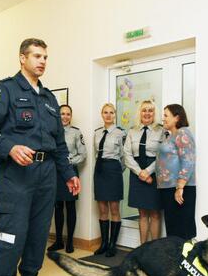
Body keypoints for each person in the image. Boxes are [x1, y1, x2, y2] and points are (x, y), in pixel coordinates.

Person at [0, 37, 80, 276]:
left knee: (37, 236)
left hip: (46, 176)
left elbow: (58, 143)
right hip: (16, 177)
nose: (42, 61)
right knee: (11, 237)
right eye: (36, 56)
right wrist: (8, 147)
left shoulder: (48, 98)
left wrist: (68, 173)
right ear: (22, 58)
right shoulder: (4, 90)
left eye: (45, 56)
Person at [123, 100, 164, 244]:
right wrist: (140, 172)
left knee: (154, 213)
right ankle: (143, 247)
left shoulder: (161, 130)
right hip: (136, 172)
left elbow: (163, 154)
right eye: (144, 110)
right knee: (142, 213)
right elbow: (126, 154)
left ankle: (155, 248)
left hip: (155, 172)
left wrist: (148, 171)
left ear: (154, 113)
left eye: (150, 110)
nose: (147, 113)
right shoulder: (132, 131)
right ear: (139, 113)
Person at [48, 105, 86, 254]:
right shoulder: (52, 131)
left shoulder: (76, 133)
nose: (65, 116)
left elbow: (82, 154)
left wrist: (68, 162)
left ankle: (70, 241)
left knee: (70, 207)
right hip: (55, 173)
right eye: (62, 114)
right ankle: (58, 241)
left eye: (68, 114)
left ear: (71, 116)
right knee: (57, 207)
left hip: (70, 172)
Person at [156, 103, 196, 240]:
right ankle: (174, 259)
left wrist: (180, 187)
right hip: (168, 188)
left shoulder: (182, 133)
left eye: (166, 115)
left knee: (182, 230)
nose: (163, 119)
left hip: (179, 189)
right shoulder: (171, 135)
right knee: (173, 230)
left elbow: (188, 160)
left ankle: (184, 260)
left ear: (177, 118)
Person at [93, 103, 126, 257]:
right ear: (101, 114)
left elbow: (124, 156)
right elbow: (95, 153)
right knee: (102, 209)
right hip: (100, 170)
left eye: (111, 112)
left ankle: (113, 245)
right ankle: (104, 243)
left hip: (113, 170)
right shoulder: (97, 133)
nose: (108, 115)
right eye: (105, 112)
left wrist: (117, 170)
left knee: (114, 209)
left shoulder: (120, 133)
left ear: (115, 115)